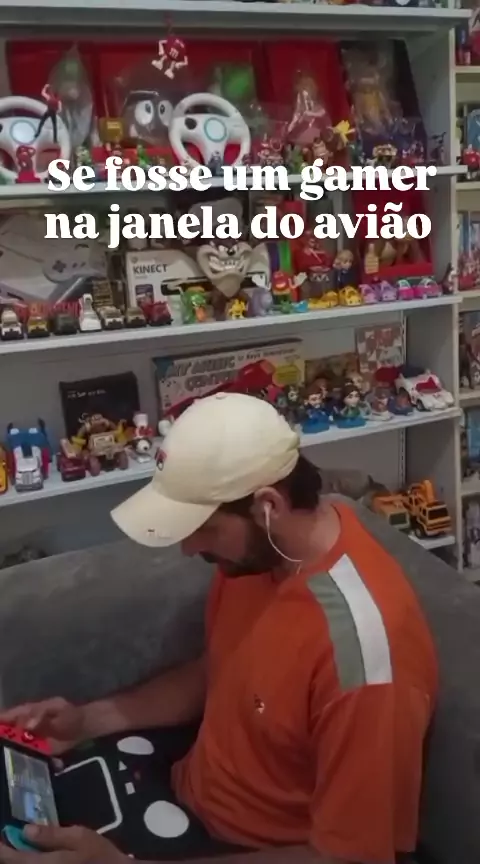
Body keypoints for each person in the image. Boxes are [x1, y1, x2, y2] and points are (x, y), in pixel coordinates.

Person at [0, 393, 438, 864]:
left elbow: (350, 859)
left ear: (268, 505)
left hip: (248, 848)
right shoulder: (260, 561)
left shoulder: (365, 656)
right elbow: (220, 671)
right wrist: (87, 720)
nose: (189, 548)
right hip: (184, 789)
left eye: (204, 527)